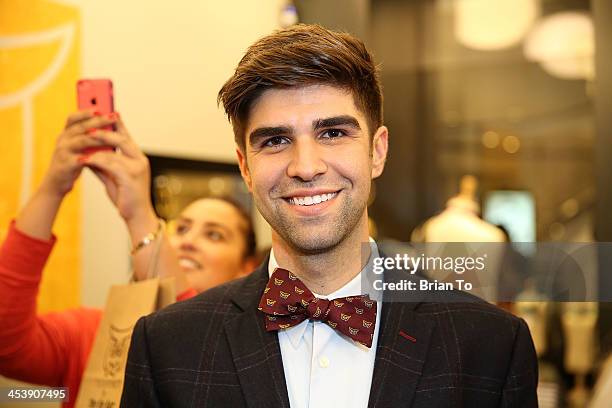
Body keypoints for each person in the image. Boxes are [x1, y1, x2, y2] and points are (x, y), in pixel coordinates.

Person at [120, 24, 538, 407]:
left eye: (333, 133)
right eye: (275, 140)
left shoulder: (490, 346)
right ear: (245, 167)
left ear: (377, 151)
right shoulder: (166, 346)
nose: (306, 166)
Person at [0, 111, 257, 407]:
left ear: (247, 266)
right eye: (182, 227)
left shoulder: (248, 350)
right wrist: (52, 188)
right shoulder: (98, 334)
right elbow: (8, 344)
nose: (188, 241)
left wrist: (139, 215)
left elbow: (186, 344)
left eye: (214, 235)